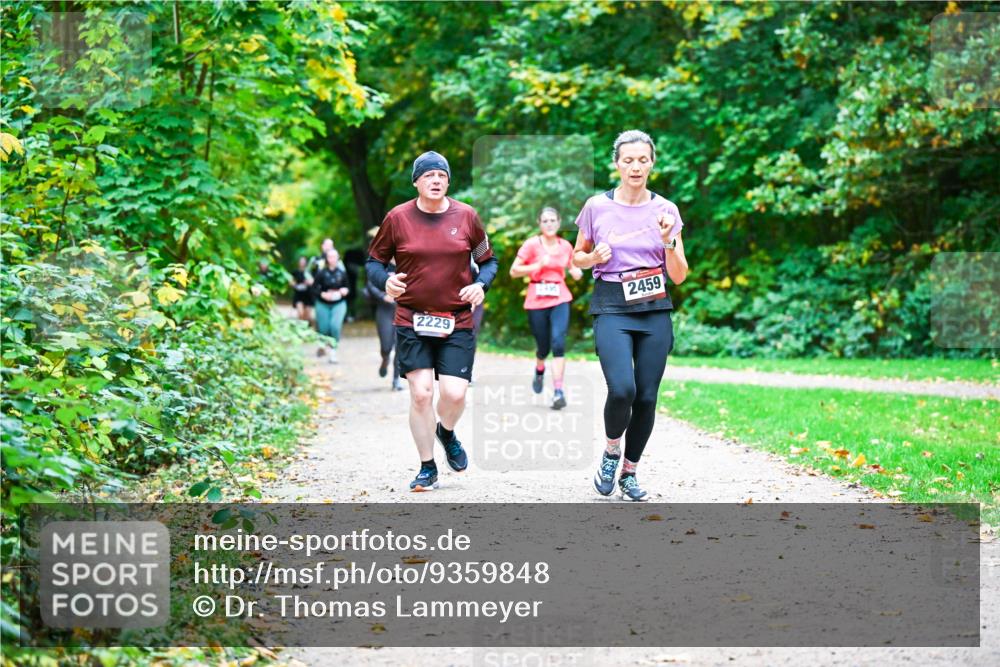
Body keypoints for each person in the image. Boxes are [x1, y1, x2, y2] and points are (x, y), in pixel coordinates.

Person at [366, 151, 498, 492]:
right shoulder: (397, 218)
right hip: (412, 319)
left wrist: (480, 285)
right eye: (428, 176)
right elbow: (374, 263)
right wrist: (386, 281)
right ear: (416, 182)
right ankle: (427, 467)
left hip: (456, 320)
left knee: (454, 394)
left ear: (448, 181)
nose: (435, 180)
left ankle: (446, 432)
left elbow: (490, 262)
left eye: (441, 175)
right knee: (421, 394)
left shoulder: (467, 216)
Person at [572, 130, 689, 501]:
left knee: (648, 398)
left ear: (652, 162)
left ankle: (629, 472)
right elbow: (577, 256)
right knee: (623, 388)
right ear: (616, 164)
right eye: (628, 160)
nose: (635, 167)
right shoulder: (596, 206)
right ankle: (610, 451)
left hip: (654, 306)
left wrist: (669, 240)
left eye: (642, 160)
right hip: (611, 305)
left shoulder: (666, 210)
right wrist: (592, 259)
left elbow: (680, 274)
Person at [509, 207, 583, 409]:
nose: (549, 224)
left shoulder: (565, 245)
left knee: (558, 343)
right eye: (545, 221)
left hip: (560, 297)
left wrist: (577, 272)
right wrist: (537, 265)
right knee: (543, 347)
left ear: (559, 223)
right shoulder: (532, 244)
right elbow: (514, 271)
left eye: (553, 220)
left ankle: (558, 391)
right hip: (536, 299)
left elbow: (573, 266)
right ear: (539, 224)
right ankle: (539, 368)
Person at [364, 246, 404, 391]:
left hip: (403, 310)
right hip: (385, 310)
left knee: (400, 346)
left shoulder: (406, 264)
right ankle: (385, 358)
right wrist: (383, 296)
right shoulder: (382, 265)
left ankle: (396, 380)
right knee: (387, 346)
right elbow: (370, 284)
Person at [313, 246, 350, 363]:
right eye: (330, 257)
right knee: (324, 328)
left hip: (338, 303)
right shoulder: (321, 273)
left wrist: (344, 291)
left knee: (335, 326)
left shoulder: (342, 273)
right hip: (323, 303)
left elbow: (348, 288)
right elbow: (314, 288)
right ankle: (323, 345)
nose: (332, 259)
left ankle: (333, 352)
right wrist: (322, 294)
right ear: (327, 259)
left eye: (334, 256)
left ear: (338, 258)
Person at [290, 256, 314, 324]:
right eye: (301, 261)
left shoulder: (309, 272)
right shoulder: (295, 272)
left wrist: (309, 282)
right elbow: (291, 282)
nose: (302, 263)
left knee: (307, 316)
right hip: (298, 295)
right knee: (300, 314)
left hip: (308, 295)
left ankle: (306, 328)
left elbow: (313, 282)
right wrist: (294, 284)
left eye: (303, 261)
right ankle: (300, 328)